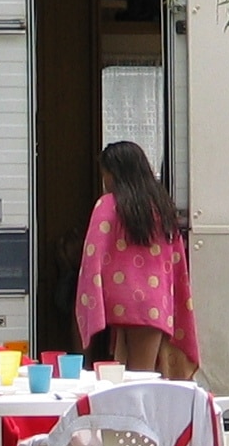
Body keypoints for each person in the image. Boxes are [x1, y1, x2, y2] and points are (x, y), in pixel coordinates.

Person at [74, 141, 199, 375]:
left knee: (129, 375)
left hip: (118, 303)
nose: (105, 180)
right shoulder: (160, 207)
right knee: (143, 373)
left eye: (106, 174)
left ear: (115, 173)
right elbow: (176, 261)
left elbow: (92, 256)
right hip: (154, 303)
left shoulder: (108, 204)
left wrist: (92, 304)